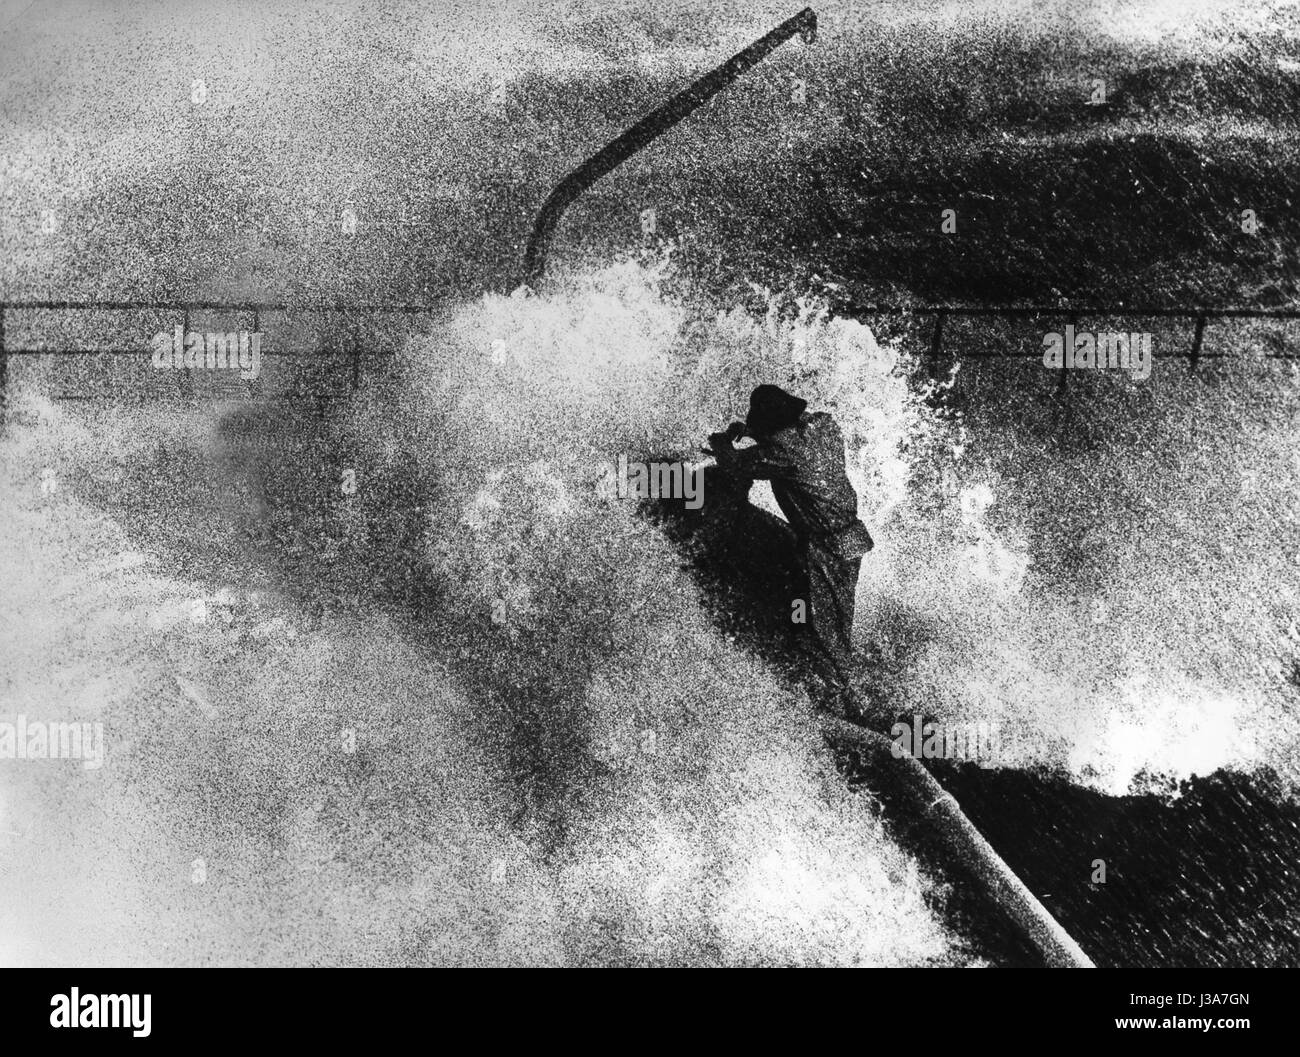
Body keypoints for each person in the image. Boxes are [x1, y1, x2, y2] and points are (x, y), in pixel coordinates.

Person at [708, 385, 873, 716]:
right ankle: (837, 683)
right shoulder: (825, 425)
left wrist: (722, 441)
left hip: (827, 548)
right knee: (832, 618)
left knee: (826, 630)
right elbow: (790, 443)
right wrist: (754, 432)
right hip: (850, 538)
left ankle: (846, 705)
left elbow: (734, 466)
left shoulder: (784, 452)